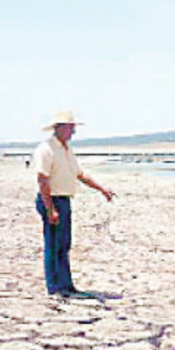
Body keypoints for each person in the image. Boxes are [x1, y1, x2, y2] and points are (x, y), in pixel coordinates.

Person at [33, 111, 115, 298]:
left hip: (64, 200)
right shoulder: (46, 149)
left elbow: (80, 175)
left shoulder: (66, 150)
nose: (73, 132)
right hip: (51, 200)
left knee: (64, 244)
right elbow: (42, 180)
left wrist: (101, 189)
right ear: (60, 128)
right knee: (53, 244)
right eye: (71, 128)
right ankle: (55, 288)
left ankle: (67, 286)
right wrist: (50, 209)